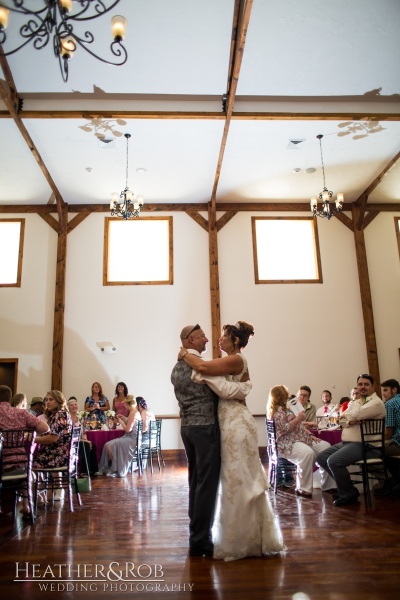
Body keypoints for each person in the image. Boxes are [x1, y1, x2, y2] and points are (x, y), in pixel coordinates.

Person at [178, 321, 285, 561]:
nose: (219, 340)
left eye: (224, 337)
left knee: (240, 479)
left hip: (237, 424)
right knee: (230, 479)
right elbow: (213, 374)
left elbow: (208, 371)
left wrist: (185, 354)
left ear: (235, 342)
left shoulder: (237, 360)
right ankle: (233, 535)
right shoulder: (227, 360)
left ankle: (245, 540)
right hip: (224, 423)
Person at [171, 324, 221, 558]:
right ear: (191, 340)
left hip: (187, 428)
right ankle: (200, 539)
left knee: (195, 481)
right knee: (207, 484)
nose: (207, 340)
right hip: (204, 428)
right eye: (202, 337)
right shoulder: (199, 367)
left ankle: (196, 533)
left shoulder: (176, 368)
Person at [316, 374, 386, 506]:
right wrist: (350, 419)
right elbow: (340, 419)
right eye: (360, 384)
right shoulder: (357, 402)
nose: (362, 387)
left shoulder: (376, 403)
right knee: (321, 457)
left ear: (373, 386)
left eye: (366, 384)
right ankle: (349, 489)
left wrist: (349, 416)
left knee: (334, 461)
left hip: (367, 446)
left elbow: (355, 414)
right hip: (349, 444)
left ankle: (347, 493)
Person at [267, 384, 336, 498]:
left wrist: (309, 435)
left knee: (326, 447)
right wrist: (298, 418)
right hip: (287, 442)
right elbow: (283, 429)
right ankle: (303, 488)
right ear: (280, 395)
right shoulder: (275, 412)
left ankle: (328, 485)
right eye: (285, 393)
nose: (288, 395)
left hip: (301, 438)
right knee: (307, 453)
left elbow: (299, 426)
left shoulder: (287, 408)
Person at [0, 385, 50, 517]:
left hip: (2, 465)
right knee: (23, 470)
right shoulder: (20, 413)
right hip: (20, 464)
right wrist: (31, 431)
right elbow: (45, 428)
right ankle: (27, 506)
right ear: (9, 398)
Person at [97, 395, 140, 477]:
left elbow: (128, 430)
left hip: (131, 440)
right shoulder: (134, 412)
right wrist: (125, 418)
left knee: (109, 446)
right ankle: (106, 468)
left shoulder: (133, 413)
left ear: (128, 404)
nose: (124, 406)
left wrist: (121, 421)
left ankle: (116, 469)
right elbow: (131, 423)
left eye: (125, 404)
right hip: (129, 437)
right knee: (107, 445)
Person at [375, 379, 400, 497]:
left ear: (394, 390)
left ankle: (389, 482)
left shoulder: (389, 404)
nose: (383, 394)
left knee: (368, 450)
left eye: (385, 390)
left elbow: (388, 433)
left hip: (398, 444)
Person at [67, 397, 99, 477]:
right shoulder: (68, 419)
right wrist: (84, 441)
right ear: (68, 407)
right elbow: (71, 434)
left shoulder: (80, 418)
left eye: (75, 404)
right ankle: (84, 471)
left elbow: (83, 432)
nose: (74, 406)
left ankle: (93, 470)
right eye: (71, 405)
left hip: (81, 440)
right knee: (85, 446)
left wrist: (86, 440)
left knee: (93, 446)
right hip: (72, 441)